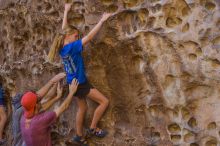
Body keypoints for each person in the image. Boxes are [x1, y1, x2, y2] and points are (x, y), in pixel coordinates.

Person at [48, 3, 111, 145]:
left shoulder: (61, 48)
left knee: (82, 108)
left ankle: (78, 135)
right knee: (104, 101)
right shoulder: (73, 47)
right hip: (80, 83)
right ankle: (93, 128)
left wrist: (66, 11)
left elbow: (63, 30)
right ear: (68, 37)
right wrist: (102, 20)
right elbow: (88, 37)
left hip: (72, 83)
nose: (77, 38)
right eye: (75, 36)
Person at [20, 73, 79, 146]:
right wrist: (71, 92)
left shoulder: (24, 117)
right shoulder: (40, 121)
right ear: (36, 105)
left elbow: (41, 108)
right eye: (38, 101)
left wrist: (57, 97)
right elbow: (63, 107)